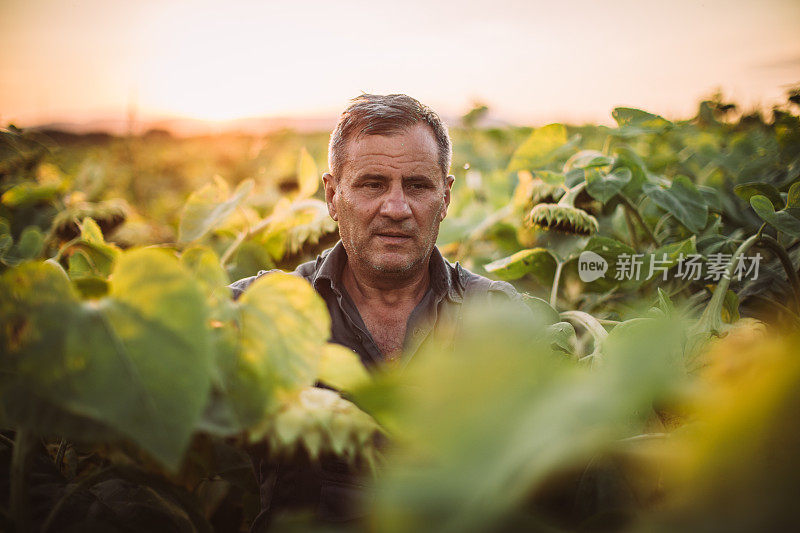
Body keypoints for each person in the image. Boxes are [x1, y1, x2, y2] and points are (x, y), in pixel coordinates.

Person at [230, 93, 520, 370]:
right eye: (373, 185)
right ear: (332, 196)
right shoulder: (254, 309)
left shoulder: (501, 316)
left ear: (444, 198)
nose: (396, 209)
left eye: (417, 186)